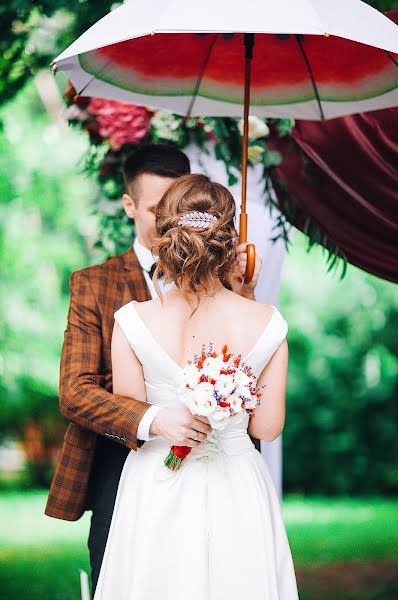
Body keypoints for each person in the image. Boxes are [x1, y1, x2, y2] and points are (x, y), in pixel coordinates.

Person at [44, 144, 263, 594]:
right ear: (129, 205)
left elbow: (250, 363)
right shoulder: (94, 282)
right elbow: (75, 390)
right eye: (153, 210)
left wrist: (245, 294)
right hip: (123, 464)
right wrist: (153, 418)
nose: (168, 225)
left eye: (173, 209)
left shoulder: (227, 282)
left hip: (216, 467)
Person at [93, 174, 299, 599]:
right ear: (231, 242)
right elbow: (266, 429)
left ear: (165, 236)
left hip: (157, 481)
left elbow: (130, 419)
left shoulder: (131, 321)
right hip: (237, 483)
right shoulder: (269, 322)